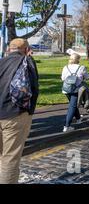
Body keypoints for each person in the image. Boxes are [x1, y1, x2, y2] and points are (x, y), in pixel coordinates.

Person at [0, 39, 39, 184]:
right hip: (15, 113)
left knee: (2, 155)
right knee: (10, 158)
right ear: (26, 49)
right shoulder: (26, 61)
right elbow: (34, 89)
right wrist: (29, 111)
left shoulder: (1, 61)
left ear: (9, 49)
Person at [61, 53, 89, 132]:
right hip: (76, 89)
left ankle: (78, 118)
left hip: (66, 89)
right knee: (72, 106)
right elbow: (87, 77)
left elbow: (63, 78)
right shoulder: (81, 67)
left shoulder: (65, 67)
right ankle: (67, 126)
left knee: (73, 104)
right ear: (78, 60)